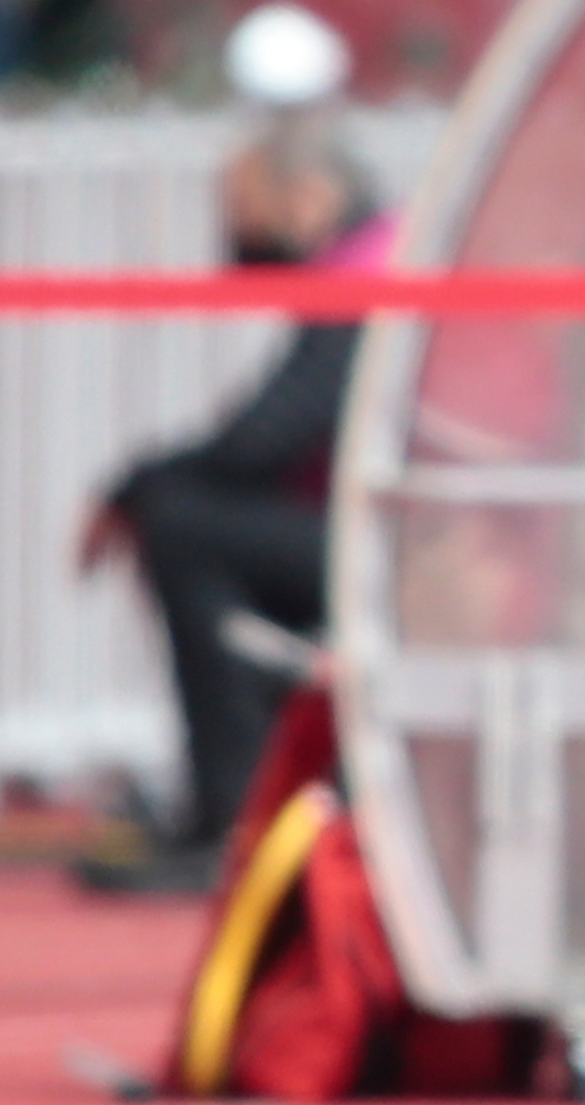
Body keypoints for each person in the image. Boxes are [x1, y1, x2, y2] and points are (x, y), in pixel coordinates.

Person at [83, 89, 392, 891]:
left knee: (183, 527)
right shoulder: (380, 259)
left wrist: (133, 489)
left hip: (413, 552)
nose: (239, 238)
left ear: (311, 198)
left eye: (247, 211)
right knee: (200, 521)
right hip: (400, 536)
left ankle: (234, 816)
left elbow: (264, 440)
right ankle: (245, 799)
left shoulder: (367, 277)